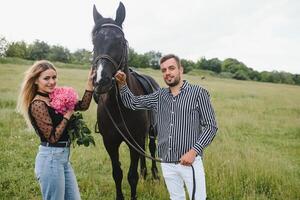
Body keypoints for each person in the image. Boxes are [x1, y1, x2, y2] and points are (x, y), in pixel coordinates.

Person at [114, 54, 218, 200]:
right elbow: (132, 102)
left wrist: (194, 152)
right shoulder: (159, 96)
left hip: (190, 163)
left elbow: (211, 126)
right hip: (167, 163)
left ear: (181, 70)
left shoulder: (198, 93)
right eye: (163, 70)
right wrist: (123, 84)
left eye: (171, 68)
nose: (167, 73)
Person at [16, 60, 94, 200]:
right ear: (35, 80)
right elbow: (52, 137)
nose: (52, 82)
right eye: (46, 78)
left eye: (54, 77)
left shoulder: (56, 96)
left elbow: (83, 105)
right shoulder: (37, 104)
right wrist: (67, 116)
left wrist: (89, 83)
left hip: (63, 159)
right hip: (50, 159)